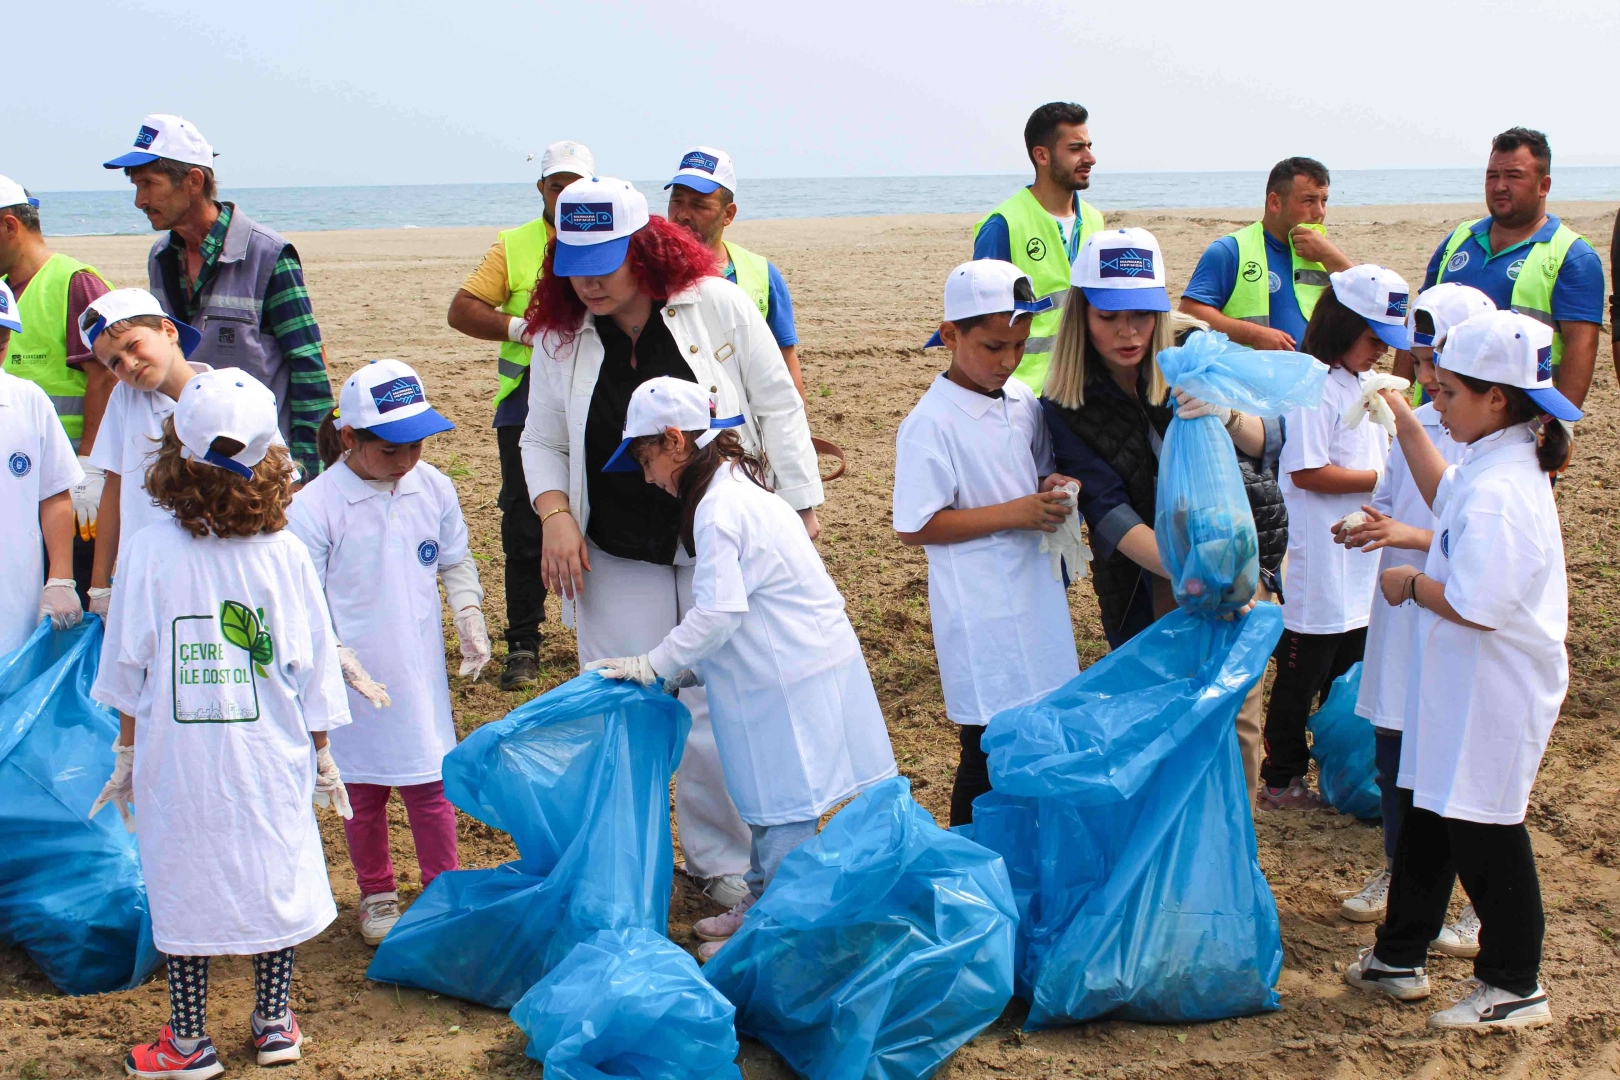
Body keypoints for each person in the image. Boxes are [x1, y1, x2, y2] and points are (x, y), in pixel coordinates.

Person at [519, 177, 823, 910]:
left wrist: (802, 509)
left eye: (606, 258)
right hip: (615, 546)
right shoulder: (560, 336)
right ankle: (626, 862)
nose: (588, 278)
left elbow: (776, 403)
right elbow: (543, 436)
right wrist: (555, 514)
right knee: (623, 704)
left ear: (645, 249)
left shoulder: (714, 303)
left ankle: (719, 863)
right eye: (573, 259)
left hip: (713, 533)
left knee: (718, 705)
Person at [87, 368, 355, 1075]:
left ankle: (186, 1039)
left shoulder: (148, 553)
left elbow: (128, 666)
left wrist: (124, 752)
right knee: (272, 871)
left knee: (184, 881)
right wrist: (323, 754)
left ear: (174, 458)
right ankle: (273, 1023)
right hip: (269, 756)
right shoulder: (288, 556)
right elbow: (313, 666)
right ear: (274, 461)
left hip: (180, 761)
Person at [588, 376, 897, 960]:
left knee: (783, 805)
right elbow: (740, 605)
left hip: (788, 677)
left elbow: (720, 610)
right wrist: (686, 671)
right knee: (763, 796)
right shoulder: (736, 489)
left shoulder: (719, 509)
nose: (646, 475)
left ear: (675, 441)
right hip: (781, 665)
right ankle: (762, 899)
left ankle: (778, 934)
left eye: (643, 456)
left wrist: (652, 664)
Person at [1343, 309, 1575, 1031]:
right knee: (1431, 814)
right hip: (1462, 682)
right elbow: (1447, 496)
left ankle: (1514, 983)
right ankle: (1398, 955)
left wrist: (1408, 583)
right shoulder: (1492, 458)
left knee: (1485, 827)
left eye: (1446, 394)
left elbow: (1478, 603)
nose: (1436, 404)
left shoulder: (1506, 489)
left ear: (1496, 398)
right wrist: (1404, 421)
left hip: (1497, 685)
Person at [1041, 229, 1282, 798]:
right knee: (1160, 719)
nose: (1128, 332)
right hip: (1153, 578)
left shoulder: (1192, 357)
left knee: (1236, 718)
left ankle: (1232, 848)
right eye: (1110, 316)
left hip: (1242, 561)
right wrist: (1198, 577)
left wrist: (1224, 415)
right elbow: (1108, 510)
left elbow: (1270, 438)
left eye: (1143, 315)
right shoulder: (1064, 405)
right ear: (1082, 315)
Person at [289, 359, 491, 947]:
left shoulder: (434, 487)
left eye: (417, 444)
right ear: (350, 439)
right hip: (351, 675)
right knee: (363, 789)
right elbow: (306, 599)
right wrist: (340, 657)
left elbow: (453, 559)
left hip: (418, 666)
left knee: (431, 783)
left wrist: (469, 613)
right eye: (390, 448)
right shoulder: (316, 506)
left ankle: (443, 888)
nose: (406, 460)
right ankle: (376, 892)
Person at [893, 258, 1081, 827]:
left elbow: (1039, 471)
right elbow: (915, 525)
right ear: (950, 335)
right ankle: (972, 860)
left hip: (1035, 591)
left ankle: (1030, 844)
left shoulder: (1021, 401)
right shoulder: (931, 423)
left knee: (1042, 724)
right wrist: (1016, 512)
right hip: (979, 607)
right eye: (994, 346)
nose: (1008, 361)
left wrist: (1052, 488)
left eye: (1019, 346)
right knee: (985, 742)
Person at [1336, 283, 1488, 926]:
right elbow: (1396, 501)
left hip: (1455, 612)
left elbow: (1472, 537)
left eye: (1436, 366)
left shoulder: (1501, 446)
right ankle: (1400, 872)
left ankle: (1470, 903)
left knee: (1454, 764)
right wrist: (1371, 523)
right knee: (1394, 745)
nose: (1422, 377)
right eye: (1419, 362)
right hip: (1402, 614)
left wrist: (1405, 536)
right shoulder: (1418, 424)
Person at [104, 113, 336, 480]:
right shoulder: (161, 258)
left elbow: (309, 370)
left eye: (148, 183)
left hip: (262, 470)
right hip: (190, 467)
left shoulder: (268, 255)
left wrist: (310, 473)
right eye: (136, 185)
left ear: (194, 181)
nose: (139, 200)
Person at [446, 139, 593, 689]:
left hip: (595, 392)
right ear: (542, 189)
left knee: (596, 511)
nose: (566, 195)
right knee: (525, 521)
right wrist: (520, 328)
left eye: (577, 186)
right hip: (525, 400)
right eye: (558, 185)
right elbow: (462, 309)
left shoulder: (610, 237)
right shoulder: (515, 246)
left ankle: (597, 635)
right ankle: (525, 644)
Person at [1260, 265, 1402, 810]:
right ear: (1343, 326)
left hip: (1358, 560)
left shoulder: (1366, 388)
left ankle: (1342, 766)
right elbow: (1306, 471)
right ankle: (1281, 775)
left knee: (1346, 674)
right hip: (1317, 560)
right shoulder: (1314, 386)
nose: (1380, 353)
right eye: (1372, 340)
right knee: (1301, 674)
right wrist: (1383, 481)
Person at [1397, 128, 1602, 413]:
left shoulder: (1572, 254)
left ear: (1544, 185)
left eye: (1513, 176)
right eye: (1492, 176)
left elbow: (1582, 346)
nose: (1500, 186)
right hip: (1436, 412)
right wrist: (1399, 396)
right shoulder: (1459, 239)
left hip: (1517, 420)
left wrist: (1559, 427)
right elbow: (1417, 322)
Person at [0, 175, 116, 598]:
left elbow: (105, 375)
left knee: (68, 590)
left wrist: (90, 463)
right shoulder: (4, 290)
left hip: (71, 484)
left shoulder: (74, 283)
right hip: (17, 478)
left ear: (10, 227)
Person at [81, 289, 211, 618]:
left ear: (168, 330)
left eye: (132, 346)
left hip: (212, 573)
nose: (128, 364)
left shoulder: (229, 393)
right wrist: (99, 586)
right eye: (114, 363)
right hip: (142, 578)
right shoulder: (125, 400)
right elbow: (114, 487)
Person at [972, 102, 1104, 392]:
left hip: (1086, 390)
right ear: (1041, 155)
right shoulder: (1003, 225)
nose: (1090, 158)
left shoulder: (1095, 220)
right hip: (1025, 395)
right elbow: (981, 328)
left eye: (1089, 146)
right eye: (1075, 148)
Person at [664, 146, 805, 399]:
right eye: (677, 201)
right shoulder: (646, 272)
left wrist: (800, 434)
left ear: (728, 214)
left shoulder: (761, 274)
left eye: (698, 205)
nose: (683, 214)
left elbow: (785, 363)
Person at [1180, 157, 1352, 351]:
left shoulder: (1324, 254)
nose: (1319, 212)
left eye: (1324, 201)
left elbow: (1369, 304)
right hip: (1250, 375)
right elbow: (1189, 312)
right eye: (1309, 201)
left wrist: (1331, 256)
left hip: (1315, 376)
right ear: (1275, 202)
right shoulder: (1230, 250)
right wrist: (1254, 334)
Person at [0, 279, 84, 655]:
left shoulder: (27, 402)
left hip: (14, 600)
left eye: (2, 340)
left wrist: (61, 577)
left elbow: (54, 494)